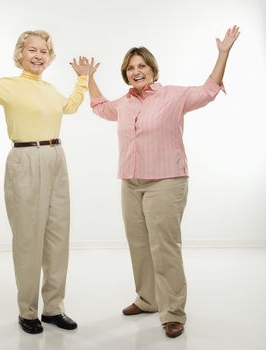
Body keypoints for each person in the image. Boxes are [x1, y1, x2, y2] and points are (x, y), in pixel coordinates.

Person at [88, 26, 240, 338]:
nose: (136, 71)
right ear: (125, 74)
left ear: (153, 69)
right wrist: (87, 77)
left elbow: (208, 90)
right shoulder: (124, 103)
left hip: (166, 181)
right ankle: (147, 299)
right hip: (130, 183)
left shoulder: (173, 95)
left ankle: (173, 312)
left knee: (164, 247)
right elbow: (101, 108)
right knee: (140, 244)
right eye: (130, 68)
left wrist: (223, 53)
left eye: (141, 65)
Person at [0, 23, 89, 334]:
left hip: (56, 157)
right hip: (25, 158)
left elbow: (69, 107)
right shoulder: (9, 85)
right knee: (28, 238)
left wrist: (83, 79)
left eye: (44, 51)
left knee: (58, 236)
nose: (38, 55)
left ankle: (54, 308)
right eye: (32, 49)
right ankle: (28, 311)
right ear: (20, 55)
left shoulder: (48, 89)